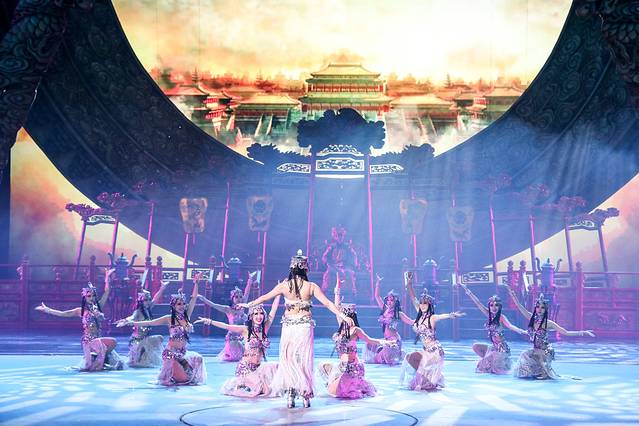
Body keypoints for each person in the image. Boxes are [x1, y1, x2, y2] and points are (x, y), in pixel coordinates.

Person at [239, 249, 355, 409]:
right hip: (300, 326)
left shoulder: (288, 286)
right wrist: (342, 315)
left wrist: (248, 304)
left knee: (292, 359)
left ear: (292, 268)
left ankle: (297, 393)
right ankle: (298, 393)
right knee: (299, 359)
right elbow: (328, 303)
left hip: (295, 326)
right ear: (305, 269)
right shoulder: (308, 286)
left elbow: (265, 297)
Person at [117, 274, 206, 386]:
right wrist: (130, 322)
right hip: (171, 353)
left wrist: (196, 283)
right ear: (173, 306)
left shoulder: (186, 316)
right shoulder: (168, 319)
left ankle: (179, 371)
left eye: (183, 304)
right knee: (181, 377)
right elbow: (149, 322)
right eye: (179, 304)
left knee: (198, 359)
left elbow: (193, 298)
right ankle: (174, 372)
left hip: (182, 352)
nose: (182, 306)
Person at [35, 268, 124, 371]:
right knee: (89, 368)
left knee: (112, 345)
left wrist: (107, 277)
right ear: (85, 298)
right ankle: (98, 361)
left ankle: (101, 360)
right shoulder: (80, 311)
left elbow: (107, 292)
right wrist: (48, 310)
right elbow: (63, 313)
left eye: (93, 296)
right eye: (89, 296)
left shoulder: (99, 307)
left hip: (98, 340)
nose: (91, 298)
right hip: (88, 341)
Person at [195, 296, 281, 397]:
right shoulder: (245, 330)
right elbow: (226, 326)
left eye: (261, 313)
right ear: (251, 316)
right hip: (246, 368)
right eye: (256, 314)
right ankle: (243, 384)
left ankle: (248, 384)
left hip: (258, 368)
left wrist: (278, 294)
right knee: (261, 389)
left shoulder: (265, 328)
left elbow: (273, 310)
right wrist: (209, 321)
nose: (259, 316)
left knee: (274, 370)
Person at [506, 287, 595, 379]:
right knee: (524, 355)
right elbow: (520, 307)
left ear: (545, 310)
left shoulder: (549, 323)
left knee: (546, 372)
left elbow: (566, 332)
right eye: (538, 307)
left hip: (545, 351)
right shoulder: (531, 318)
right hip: (536, 349)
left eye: (542, 307)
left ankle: (546, 372)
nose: (539, 309)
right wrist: (513, 296)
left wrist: (583, 332)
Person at [319, 282, 385, 399]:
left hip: (352, 366)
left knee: (347, 391)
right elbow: (336, 308)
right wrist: (337, 289)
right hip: (342, 365)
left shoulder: (355, 330)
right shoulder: (342, 328)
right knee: (322, 367)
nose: (342, 315)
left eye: (344, 314)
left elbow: (369, 340)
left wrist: (384, 342)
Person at [400, 273, 464, 390]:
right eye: (421, 303)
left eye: (425, 303)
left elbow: (441, 316)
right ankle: (436, 377)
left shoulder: (432, 317)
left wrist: (451, 315)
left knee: (423, 376)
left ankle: (436, 377)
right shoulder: (420, 314)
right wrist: (409, 284)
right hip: (426, 350)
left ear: (429, 305)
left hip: (435, 351)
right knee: (410, 357)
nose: (422, 305)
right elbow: (413, 298)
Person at [460, 284, 526, 374]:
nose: (494, 308)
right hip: (493, 348)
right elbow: (478, 303)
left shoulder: (501, 317)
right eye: (491, 305)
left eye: (496, 305)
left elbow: (510, 326)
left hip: (502, 349)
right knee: (476, 346)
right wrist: (468, 291)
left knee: (495, 369)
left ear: (500, 307)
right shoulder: (489, 315)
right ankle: (489, 358)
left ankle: (494, 360)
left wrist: (521, 331)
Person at [197, 273, 254, 361]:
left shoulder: (243, 306)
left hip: (243, 337)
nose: (239, 299)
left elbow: (247, 292)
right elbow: (213, 305)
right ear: (232, 298)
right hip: (232, 338)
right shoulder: (228, 309)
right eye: (236, 297)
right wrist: (203, 299)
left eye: (240, 297)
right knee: (236, 358)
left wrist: (250, 280)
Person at [119, 280, 171, 368]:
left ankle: (143, 356)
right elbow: (132, 317)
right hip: (136, 341)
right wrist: (126, 320)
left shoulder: (148, 309)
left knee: (159, 338)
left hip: (144, 339)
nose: (149, 301)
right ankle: (137, 356)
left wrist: (162, 288)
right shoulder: (138, 311)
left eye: (149, 299)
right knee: (135, 363)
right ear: (141, 301)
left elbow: (156, 298)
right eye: (146, 300)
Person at [364, 274, 413, 365]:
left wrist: (422, 319)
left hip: (394, 340)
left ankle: (394, 354)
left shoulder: (398, 313)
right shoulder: (385, 309)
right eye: (388, 300)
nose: (389, 302)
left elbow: (411, 322)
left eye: (392, 300)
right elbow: (377, 297)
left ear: (395, 302)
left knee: (377, 360)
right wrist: (378, 283)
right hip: (386, 339)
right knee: (369, 343)